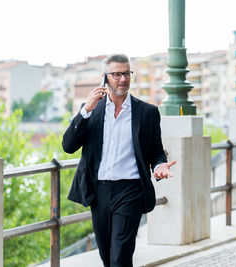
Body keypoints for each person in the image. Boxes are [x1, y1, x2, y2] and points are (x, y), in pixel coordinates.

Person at [62, 54, 176, 267]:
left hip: (131, 191)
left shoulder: (147, 113)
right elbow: (68, 147)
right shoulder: (92, 111)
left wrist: (160, 165)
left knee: (120, 258)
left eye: (126, 73)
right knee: (106, 255)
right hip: (100, 192)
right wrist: (85, 110)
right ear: (104, 78)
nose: (123, 79)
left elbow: (156, 152)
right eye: (116, 74)